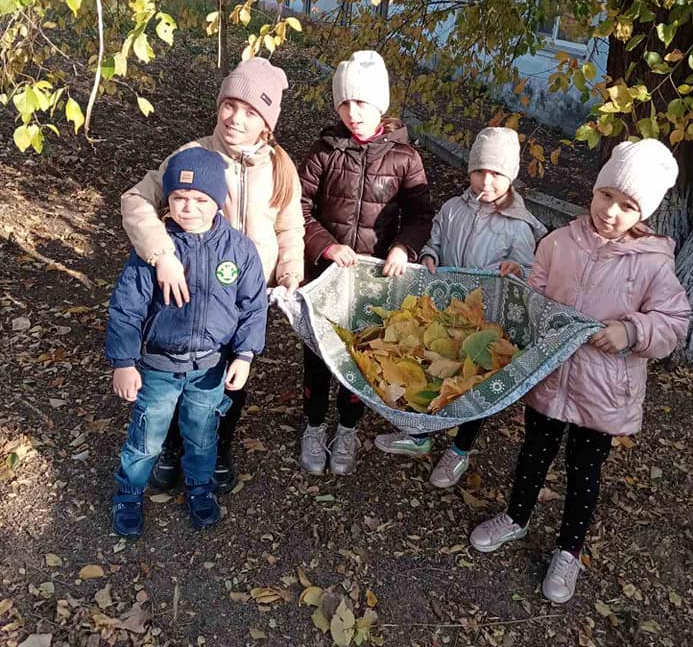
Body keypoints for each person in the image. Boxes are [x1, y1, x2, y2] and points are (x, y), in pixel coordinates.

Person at [469, 139, 690, 603]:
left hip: (602, 391)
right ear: (594, 189)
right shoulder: (558, 242)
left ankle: (568, 550)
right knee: (533, 453)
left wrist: (631, 332)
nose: (611, 211)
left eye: (627, 206)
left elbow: (673, 323)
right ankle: (516, 516)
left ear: (642, 213)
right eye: (606, 195)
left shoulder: (652, 264)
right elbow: (537, 290)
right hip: (550, 378)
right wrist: (522, 297)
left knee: (584, 472)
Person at [120, 58, 303, 493]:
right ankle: (169, 446)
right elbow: (135, 199)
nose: (236, 119)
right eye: (229, 105)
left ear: (267, 122)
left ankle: (216, 446)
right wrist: (162, 253)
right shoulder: (191, 157)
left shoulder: (280, 167)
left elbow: (290, 226)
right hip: (188, 290)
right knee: (177, 372)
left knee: (232, 375)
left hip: (243, 295)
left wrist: (290, 270)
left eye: (251, 111)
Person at [107, 148, 268, 537]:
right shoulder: (154, 252)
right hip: (160, 366)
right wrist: (124, 362)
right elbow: (126, 308)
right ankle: (128, 493)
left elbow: (253, 306)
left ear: (219, 202)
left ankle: (200, 488)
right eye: (179, 198)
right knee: (147, 435)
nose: (189, 207)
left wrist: (245, 354)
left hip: (210, 367)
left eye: (200, 200)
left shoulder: (239, 250)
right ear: (167, 200)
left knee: (202, 434)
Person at [374, 126, 546, 488]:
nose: (486, 180)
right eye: (479, 171)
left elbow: (531, 272)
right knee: (436, 374)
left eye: (496, 174)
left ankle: (459, 449)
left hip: (486, 321)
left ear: (510, 177)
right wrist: (431, 254)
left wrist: (517, 271)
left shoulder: (519, 227)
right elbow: (434, 240)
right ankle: (419, 434)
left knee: (473, 386)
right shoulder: (453, 209)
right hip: (446, 310)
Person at [297, 49, 433, 475]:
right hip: (327, 275)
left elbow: (420, 215)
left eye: (362, 103)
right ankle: (315, 425)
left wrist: (402, 248)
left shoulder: (405, 158)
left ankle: (349, 428)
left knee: (364, 357)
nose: (353, 112)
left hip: (375, 282)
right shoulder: (324, 151)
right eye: (345, 103)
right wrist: (325, 246)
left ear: (381, 105)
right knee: (319, 357)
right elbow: (296, 209)